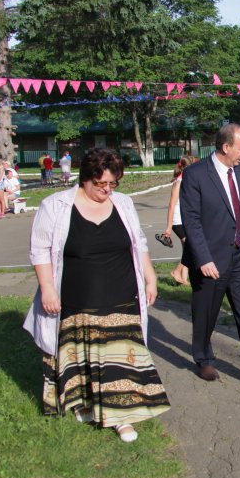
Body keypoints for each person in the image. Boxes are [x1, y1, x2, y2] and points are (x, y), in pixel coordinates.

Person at [23, 148, 170, 443]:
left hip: (122, 291)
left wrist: (150, 277)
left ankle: (122, 417)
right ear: (85, 178)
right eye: (101, 184)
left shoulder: (124, 204)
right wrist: (48, 288)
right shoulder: (56, 206)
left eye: (112, 184)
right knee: (82, 354)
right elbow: (39, 250)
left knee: (119, 357)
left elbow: (138, 242)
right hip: (77, 296)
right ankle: (85, 403)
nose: (107, 190)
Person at [180, 123, 240, 386]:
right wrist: (202, 258)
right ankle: (203, 360)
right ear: (226, 147)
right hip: (210, 261)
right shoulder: (196, 174)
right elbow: (190, 219)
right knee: (206, 314)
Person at [162, 155, 195, 285]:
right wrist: (169, 227)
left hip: (185, 219)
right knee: (190, 247)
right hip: (177, 221)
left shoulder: (186, 181)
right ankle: (176, 272)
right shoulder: (178, 183)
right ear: (185, 168)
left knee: (186, 249)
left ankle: (184, 279)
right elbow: (171, 205)